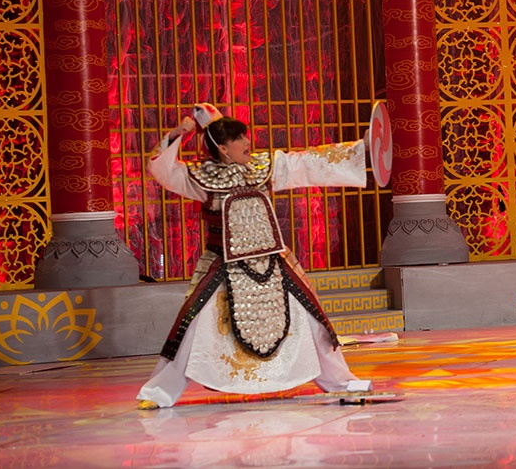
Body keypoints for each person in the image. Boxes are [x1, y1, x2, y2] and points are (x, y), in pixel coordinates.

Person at [137, 103, 373, 409]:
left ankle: (343, 383)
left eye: (245, 136)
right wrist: (179, 133)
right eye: (238, 138)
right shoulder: (199, 177)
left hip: (274, 262)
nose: (248, 142)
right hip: (223, 265)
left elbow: (308, 161)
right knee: (191, 329)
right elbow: (161, 168)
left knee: (314, 323)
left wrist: (362, 149)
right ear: (222, 148)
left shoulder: (264, 167)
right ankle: (158, 392)